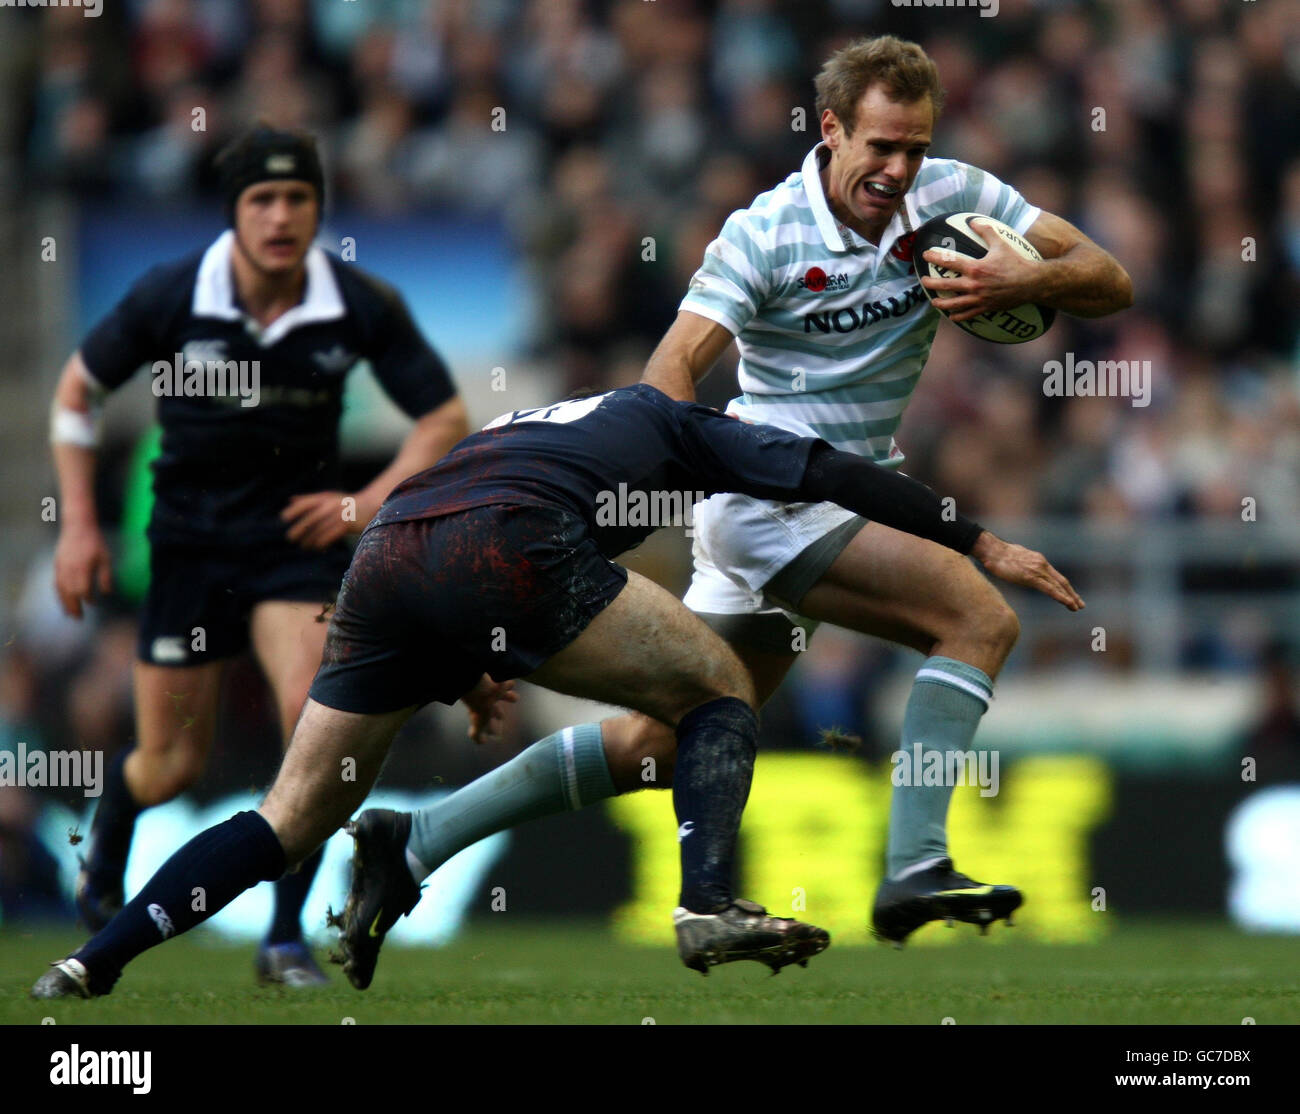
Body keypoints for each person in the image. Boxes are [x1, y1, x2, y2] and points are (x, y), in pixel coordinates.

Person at [341, 34, 1134, 949]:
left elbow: (1110, 279)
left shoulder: (957, 196)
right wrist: (632, 491)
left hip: (850, 490)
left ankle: (413, 841)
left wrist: (1032, 276)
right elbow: (671, 367)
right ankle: (916, 866)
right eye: (880, 146)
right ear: (831, 129)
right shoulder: (764, 231)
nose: (899, 167)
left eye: (914, 146)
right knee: (977, 619)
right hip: (770, 496)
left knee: (665, 740)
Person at [31, 383, 1082, 998]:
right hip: (509, 547)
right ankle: (708, 903)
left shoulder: (544, 422)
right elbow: (830, 475)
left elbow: (454, 523)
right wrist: (972, 536)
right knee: (719, 688)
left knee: (289, 812)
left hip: (391, 553)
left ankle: (96, 962)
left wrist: (477, 659)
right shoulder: (689, 428)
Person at [49, 123, 468, 986]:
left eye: (298, 199)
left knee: (315, 741)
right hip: (189, 547)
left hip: (295, 548)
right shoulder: (171, 295)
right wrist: (82, 525)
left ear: (319, 207)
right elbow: (76, 393)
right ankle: (112, 838)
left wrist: (365, 501)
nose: (281, 217)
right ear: (233, 211)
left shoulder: (356, 300)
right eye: (261, 200)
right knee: (169, 766)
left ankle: (282, 939)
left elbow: (444, 418)